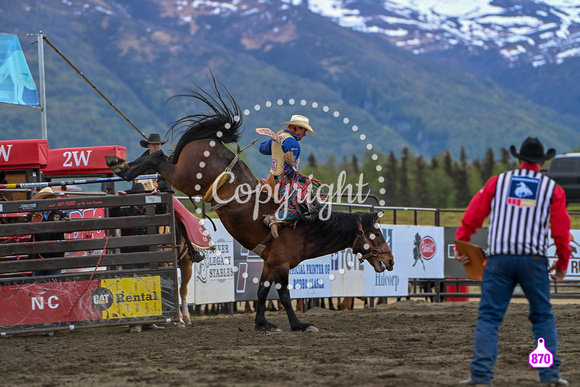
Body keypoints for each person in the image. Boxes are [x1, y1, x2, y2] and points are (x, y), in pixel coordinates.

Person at [455, 137, 570, 386]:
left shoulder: (499, 182)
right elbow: (561, 231)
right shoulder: (553, 189)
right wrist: (562, 264)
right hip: (533, 260)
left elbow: (474, 214)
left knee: (489, 317)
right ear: (542, 162)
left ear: (518, 159)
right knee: (542, 317)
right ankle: (549, 376)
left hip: (499, 260)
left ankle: (481, 376)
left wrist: (461, 242)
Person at [109, 182, 165, 333]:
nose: (142, 200)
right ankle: (135, 323)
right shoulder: (127, 212)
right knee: (133, 289)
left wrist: (157, 198)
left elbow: (162, 212)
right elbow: (114, 216)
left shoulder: (149, 212)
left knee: (148, 287)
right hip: (131, 256)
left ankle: (148, 321)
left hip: (147, 255)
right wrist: (117, 202)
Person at [258, 114, 321, 238]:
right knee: (309, 209)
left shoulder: (280, 138)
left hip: (273, 178)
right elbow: (289, 171)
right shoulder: (293, 143)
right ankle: (275, 218)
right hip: (284, 183)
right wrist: (305, 180)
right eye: (304, 130)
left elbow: (262, 149)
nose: (305, 134)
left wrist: (273, 138)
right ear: (296, 128)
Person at [26, 187, 69, 277]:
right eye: (49, 198)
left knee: (54, 282)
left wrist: (67, 224)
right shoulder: (33, 215)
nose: (51, 201)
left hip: (55, 255)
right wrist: (32, 223)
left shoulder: (60, 214)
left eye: (52, 198)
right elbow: (25, 230)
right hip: (38, 255)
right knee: (38, 284)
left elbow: (70, 230)